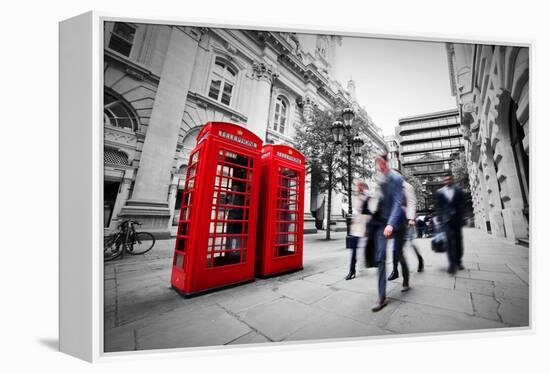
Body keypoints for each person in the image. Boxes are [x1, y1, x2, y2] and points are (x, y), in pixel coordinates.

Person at [369, 153, 408, 312]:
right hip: (381, 223)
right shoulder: (379, 179)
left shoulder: (396, 178)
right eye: (376, 162)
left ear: (386, 161)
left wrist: (391, 223)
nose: (379, 165)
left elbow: (398, 202)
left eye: (380, 161)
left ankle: (406, 279)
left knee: (398, 255)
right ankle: (382, 297)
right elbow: (377, 199)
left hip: (397, 222)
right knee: (380, 258)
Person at [388, 177, 424, 281]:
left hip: (408, 220)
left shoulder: (408, 187)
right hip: (399, 221)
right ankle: (395, 270)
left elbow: (412, 203)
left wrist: (411, 218)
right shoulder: (394, 188)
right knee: (397, 248)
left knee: (411, 243)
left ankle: (419, 258)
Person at [436, 173, 465, 274]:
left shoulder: (458, 190)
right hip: (446, 220)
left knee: (458, 241)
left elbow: (462, 204)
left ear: (451, 180)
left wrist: (463, 217)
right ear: (444, 181)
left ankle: (459, 261)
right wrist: (439, 218)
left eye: (449, 179)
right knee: (448, 241)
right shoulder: (440, 192)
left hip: (457, 219)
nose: (447, 181)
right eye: (446, 180)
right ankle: (451, 264)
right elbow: (439, 207)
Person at [345, 180, 370, 280]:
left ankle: (369, 262)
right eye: (357, 186)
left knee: (369, 247)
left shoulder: (368, 196)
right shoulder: (357, 197)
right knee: (354, 249)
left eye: (360, 186)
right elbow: (357, 209)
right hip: (357, 226)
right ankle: (352, 271)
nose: (358, 187)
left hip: (367, 225)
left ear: (364, 187)